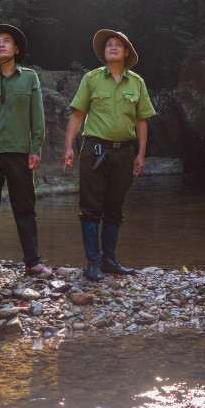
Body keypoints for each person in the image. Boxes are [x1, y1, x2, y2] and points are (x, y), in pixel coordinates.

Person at [62, 29, 156, 281]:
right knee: (91, 208)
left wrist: (141, 155)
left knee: (115, 207)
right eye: (108, 45)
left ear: (127, 52)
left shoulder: (137, 82)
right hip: (94, 151)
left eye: (118, 45)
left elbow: (141, 120)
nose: (112, 47)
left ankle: (109, 260)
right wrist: (68, 145)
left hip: (124, 152)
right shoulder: (91, 79)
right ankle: (92, 261)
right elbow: (78, 114)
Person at [0, 23, 54, 281]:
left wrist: (36, 147)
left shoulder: (30, 77)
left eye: (7, 41)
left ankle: (33, 262)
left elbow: (37, 116)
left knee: (25, 207)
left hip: (19, 152)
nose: (1, 44)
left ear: (16, 49)